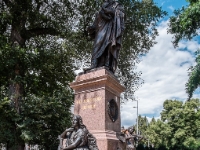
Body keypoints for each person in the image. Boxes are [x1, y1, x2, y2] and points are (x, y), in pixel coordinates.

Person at [87, 0, 125, 73]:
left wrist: (111, 11)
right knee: (96, 46)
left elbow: (121, 14)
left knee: (108, 48)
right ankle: (93, 65)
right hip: (100, 31)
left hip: (110, 30)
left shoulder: (117, 4)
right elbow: (96, 23)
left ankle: (107, 65)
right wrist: (91, 28)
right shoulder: (100, 10)